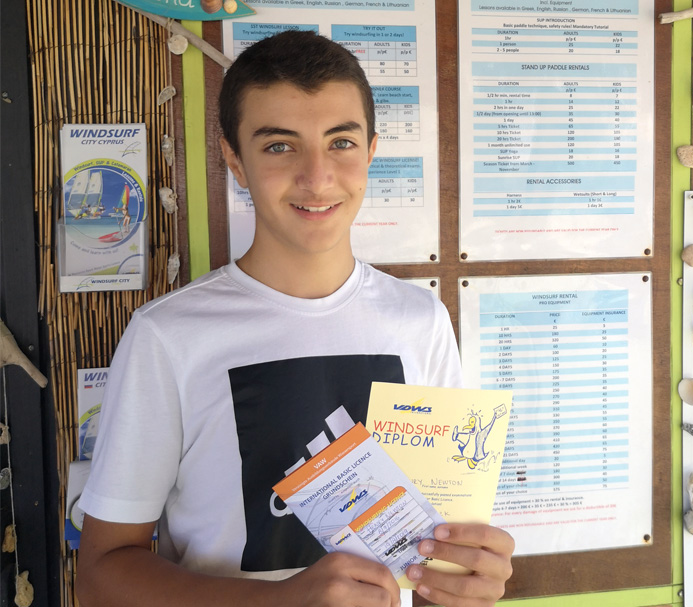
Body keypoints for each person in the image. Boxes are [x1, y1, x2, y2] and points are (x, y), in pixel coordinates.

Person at [76, 29, 514, 607]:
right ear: (234, 159)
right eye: (280, 146)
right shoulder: (168, 336)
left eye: (341, 142)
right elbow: (101, 576)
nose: (318, 176)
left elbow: (435, 554)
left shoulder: (420, 320)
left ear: (372, 150)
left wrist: (469, 577)